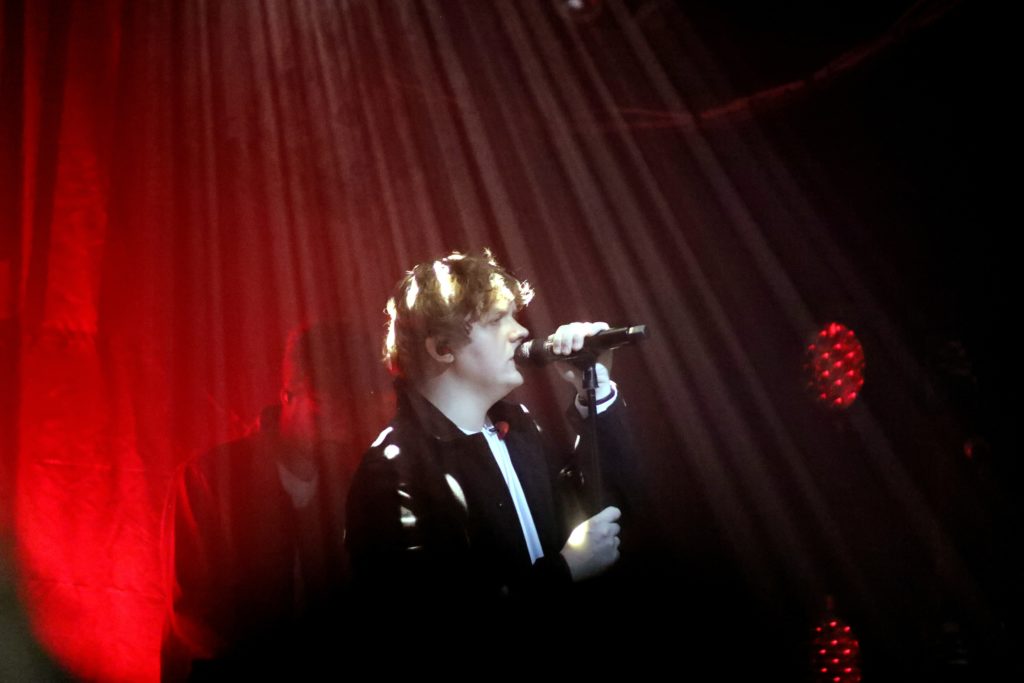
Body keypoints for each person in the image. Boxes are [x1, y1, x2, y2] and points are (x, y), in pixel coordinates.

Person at [345, 251, 638, 646]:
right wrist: (563, 572)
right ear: (442, 347)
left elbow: (605, 517)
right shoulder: (393, 471)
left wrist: (595, 388)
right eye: (498, 320)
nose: (521, 332)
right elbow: (423, 621)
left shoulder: (518, 427)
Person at [160, 322, 360, 681]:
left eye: (347, 409)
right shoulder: (209, 479)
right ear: (287, 396)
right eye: (322, 408)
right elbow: (191, 612)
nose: (337, 424)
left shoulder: (348, 486)